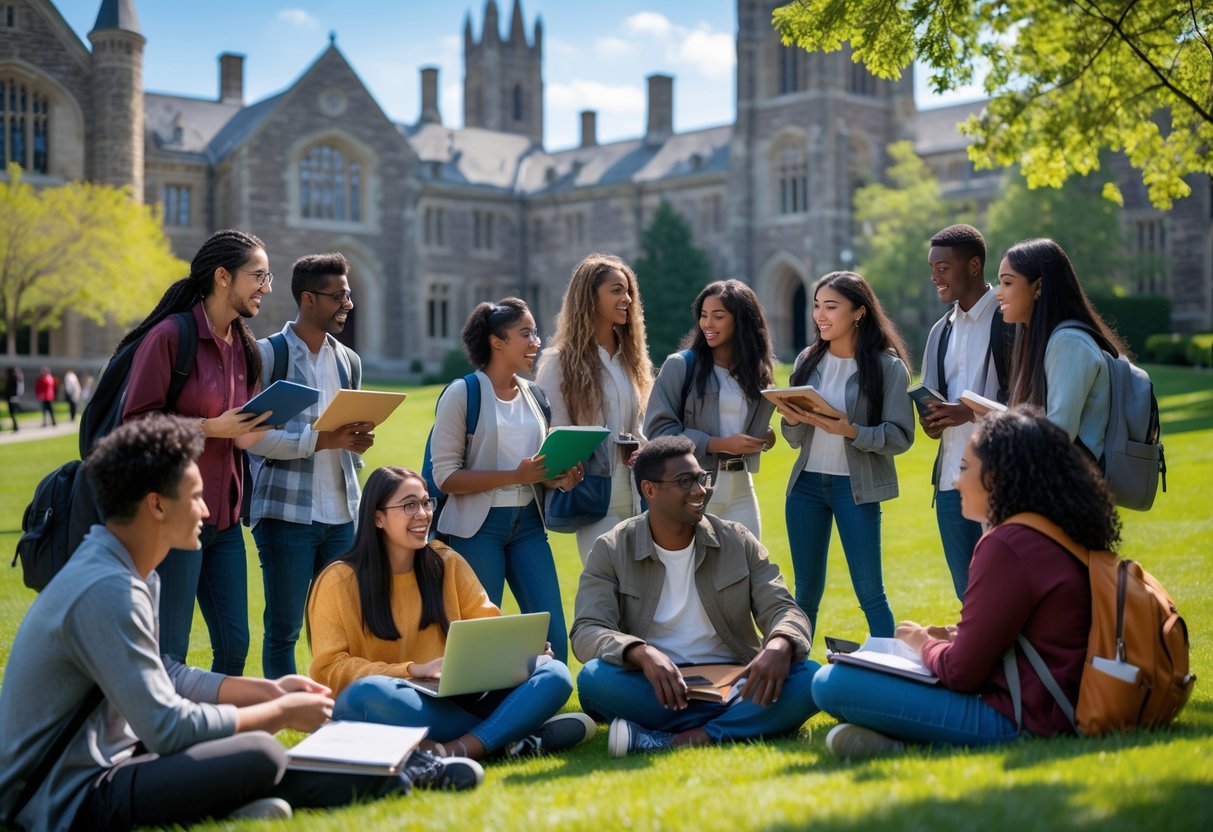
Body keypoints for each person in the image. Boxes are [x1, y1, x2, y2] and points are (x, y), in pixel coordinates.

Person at [0, 416, 481, 832]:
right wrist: (280, 715)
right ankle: (397, 774)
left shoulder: (126, 572)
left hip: (116, 759)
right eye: (195, 495)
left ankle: (398, 774)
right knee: (260, 751)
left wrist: (265, 692)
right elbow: (167, 727)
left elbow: (168, 676)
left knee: (253, 752)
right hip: (62, 796)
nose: (207, 510)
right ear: (157, 505)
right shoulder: (106, 588)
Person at [811, 407, 1109, 758]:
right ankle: (902, 743)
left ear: (998, 478)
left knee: (831, 683)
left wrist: (922, 642)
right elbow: (1026, 632)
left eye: (965, 468)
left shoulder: (1007, 544)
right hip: (1050, 704)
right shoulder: (1051, 531)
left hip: (1025, 718)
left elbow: (960, 673)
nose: (955, 481)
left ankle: (906, 740)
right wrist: (957, 636)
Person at [309, 466, 597, 762]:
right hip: (395, 700)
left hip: (457, 698)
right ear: (377, 517)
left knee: (555, 673)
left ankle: (457, 749)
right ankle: (513, 736)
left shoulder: (445, 562)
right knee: (365, 693)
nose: (422, 514)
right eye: (409, 505)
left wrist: (521, 652)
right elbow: (329, 670)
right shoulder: (338, 580)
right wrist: (411, 671)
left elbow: (487, 628)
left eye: (425, 502)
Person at [572, 435, 821, 757]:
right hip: (658, 686)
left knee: (811, 678)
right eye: (685, 481)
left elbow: (784, 608)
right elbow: (587, 629)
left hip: (735, 682)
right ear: (650, 490)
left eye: (702, 478)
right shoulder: (612, 548)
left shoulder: (736, 540)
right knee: (595, 680)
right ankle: (749, 721)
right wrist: (641, 653)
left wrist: (779, 644)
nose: (700, 490)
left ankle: (679, 737)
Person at [120, 229, 274, 676]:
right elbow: (135, 423)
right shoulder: (171, 336)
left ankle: (217, 742)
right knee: (170, 651)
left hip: (225, 522)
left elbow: (238, 434)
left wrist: (253, 427)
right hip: (172, 519)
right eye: (258, 276)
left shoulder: (245, 348)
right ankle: (156, 741)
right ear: (223, 277)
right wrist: (208, 428)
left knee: (234, 646)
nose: (266, 288)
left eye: (269, 277)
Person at [429, 298, 582, 662]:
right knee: (482, 636)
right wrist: (515, 475)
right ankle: (481, 713)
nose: (536, 342)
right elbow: (445, 477)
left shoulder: (535, 396)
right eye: (525, 333)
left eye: (535, 333)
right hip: (478, 530)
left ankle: (544, 707)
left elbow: (535, 470)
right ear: (497, 341)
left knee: (553, 638)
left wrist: (556, 478)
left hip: (528, 525)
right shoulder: (462, 393)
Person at [248, 252, 374, 679]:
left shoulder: (349, 362)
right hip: (285, 514)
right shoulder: (268, 356)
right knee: (284, 628)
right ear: (308, 299)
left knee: (338, 628)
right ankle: (282, 714)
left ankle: (332, 712)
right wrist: (321, 440)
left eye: (349, 295)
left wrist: (355, 441)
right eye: (338, 296)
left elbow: (345, 443)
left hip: (342, 516)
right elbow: (251, 439)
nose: (348, 305)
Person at [775, 272, 914, 642]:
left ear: (858, 312)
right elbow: (794, 438)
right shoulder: (806, 360)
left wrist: (850, 430)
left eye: (831, 307)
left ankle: (889, 672)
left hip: (855, 489)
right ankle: (796, 677)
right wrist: (791, 419)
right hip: (805, 488)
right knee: (804, 594)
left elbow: (901, 437)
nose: (820, 315)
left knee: (870, 592)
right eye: (817, 305)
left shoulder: (887, 367)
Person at [535, 252, 653, 562]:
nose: (627, 298)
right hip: (594, 498)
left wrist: (644, 448)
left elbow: (642, 425)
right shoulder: (559, 361)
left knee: (644, 597)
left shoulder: (633, 360)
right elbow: (555, 435)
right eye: (616, 290)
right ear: (590, 297)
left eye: (629, 291)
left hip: (640, 494)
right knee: (607, 594)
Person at [644, 279, 778, 538]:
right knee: (693, 575)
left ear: (742, 321)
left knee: (748, 570)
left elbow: (744, 425)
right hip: (692, 487)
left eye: (718, 316)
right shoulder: (680, 366)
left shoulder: (756, 372)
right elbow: (659, 431)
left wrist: (765, 437)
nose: (708, 324)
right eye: (704, 316)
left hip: (741, 487)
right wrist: (720, 444)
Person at [919, 224, 1011, 599]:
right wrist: (933, 421)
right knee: (968, 595)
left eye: (943, 267)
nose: (934, 276)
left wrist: (968, 413)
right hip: (949, 484)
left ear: (974, 265)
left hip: (1001, 478)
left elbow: (1031, 403)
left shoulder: (1010, 321)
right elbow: (934, 397)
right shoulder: (940, 331)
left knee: (1007, 592)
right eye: (932, 267)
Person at [997, 237, 1127, 461]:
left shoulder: (1069, 343)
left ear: (1038, 287)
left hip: (1069, 490)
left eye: (1007, 283)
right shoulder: (1042, 341)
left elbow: (1058, 435)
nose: (998, 293)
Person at [4, 366, 22, 432]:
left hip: (11, 398)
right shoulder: (13, 378)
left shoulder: (13, 379)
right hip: (11, 397)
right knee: (12, 413)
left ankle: (16, 426)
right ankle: (15, 426)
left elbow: (13, 390)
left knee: (12, 412)